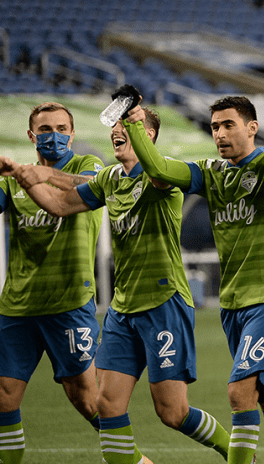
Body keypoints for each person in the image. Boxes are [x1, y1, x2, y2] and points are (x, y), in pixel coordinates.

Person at [11, 99, 231, 464]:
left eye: (129, 127)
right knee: (107, 406)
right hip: (123, 310)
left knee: (172, 413)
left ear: (149, 136)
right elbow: (62, 204)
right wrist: (30, 176)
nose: (119, 130)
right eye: (116, 128)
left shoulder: (166, 175)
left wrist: (134, 123)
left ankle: (235, 451)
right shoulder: (111, 180)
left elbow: (155, 169)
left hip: (164, 304)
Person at [123, 95, 264, 464]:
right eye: (214, 127)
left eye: (228, 125)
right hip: (233, 303)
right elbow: (159, 170)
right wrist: (133, 122)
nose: (220, 134)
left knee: (240, 393)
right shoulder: (210, 172)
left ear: (252, 128)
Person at [0, 102, 104, 464]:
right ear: (32, 136)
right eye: (45, 130)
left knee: (86, 399)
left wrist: (39, 177)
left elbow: (86, 191)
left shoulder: (87, 166)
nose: (54, 136)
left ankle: (134, 459)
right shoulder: (11, 182)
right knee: (3, 397)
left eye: (62, 129)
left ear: (72, 134)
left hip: (68, 304)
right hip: (18, 306)